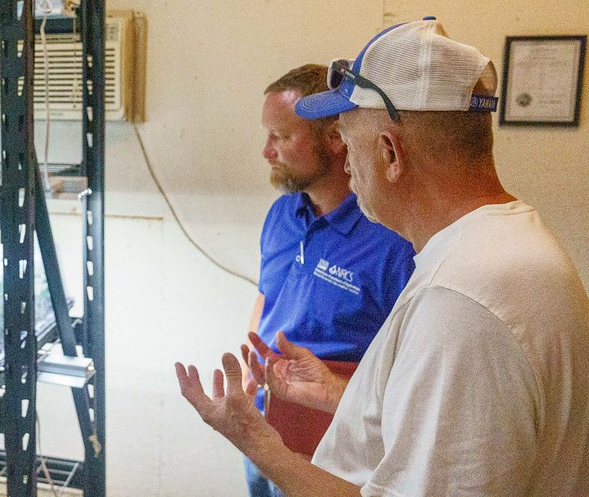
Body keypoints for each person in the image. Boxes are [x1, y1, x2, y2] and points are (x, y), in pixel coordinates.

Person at [176, 17, 589, 496]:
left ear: (390, 153)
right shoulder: (498, 247)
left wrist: (257, 444)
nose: (347, 167)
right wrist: (337, 395)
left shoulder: (459, 302)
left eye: (349, 144)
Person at [244, 65, 415, 497]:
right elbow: (266, 299)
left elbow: (409, 363)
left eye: (281, 137)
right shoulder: (282, 214)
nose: (267, 151)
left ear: (336, 138)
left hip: (332, 449)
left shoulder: (392, 238)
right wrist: (249, 370)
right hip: (262, 428)